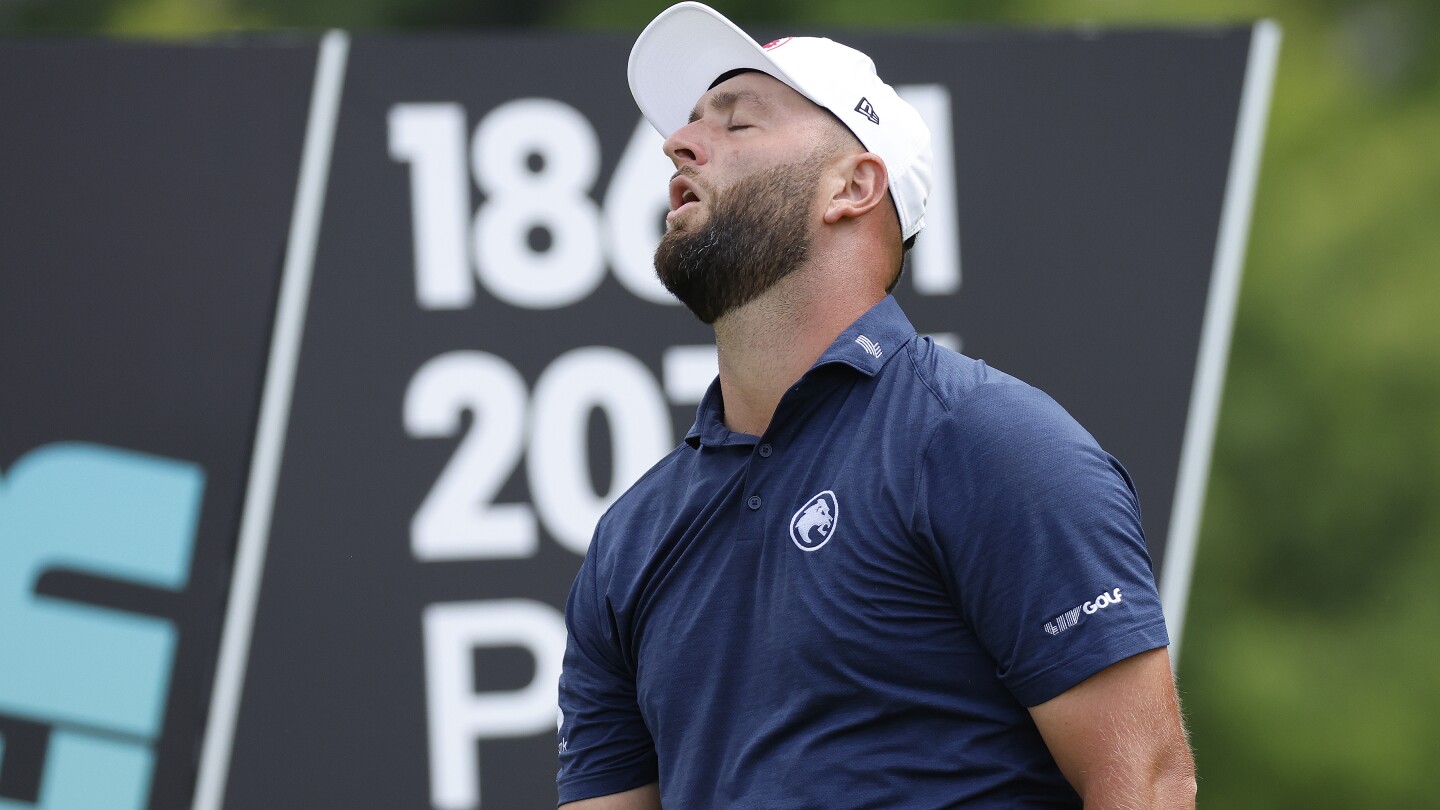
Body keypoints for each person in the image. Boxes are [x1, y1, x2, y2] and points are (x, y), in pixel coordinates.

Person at [557, 3, 1197, 807]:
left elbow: (1148, 786)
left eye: (739, 123)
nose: (678, 144)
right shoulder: (629, 540)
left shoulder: (987, 443)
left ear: (853, 186)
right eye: (689, 126)